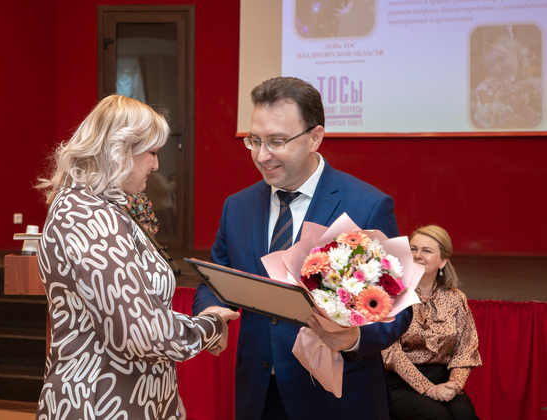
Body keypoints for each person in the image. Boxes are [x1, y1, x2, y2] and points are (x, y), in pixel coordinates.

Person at [192, 76, 413, 420]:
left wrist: (354, 337)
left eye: (277, 141)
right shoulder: (237, 207)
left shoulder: (365, 206)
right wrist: (210, 311)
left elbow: (397, 310)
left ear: (314, 137)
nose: (262, 155)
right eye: (255, 140)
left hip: (336, 401)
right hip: (259, 395)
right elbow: (216, 279)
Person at [34, 94, 239, 419]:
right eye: (152, 153)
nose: (156, 165)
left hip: (129, 397)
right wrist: (210, 325)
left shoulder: (99, 207)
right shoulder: (90, 216)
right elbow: (140, 332)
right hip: (101, 401)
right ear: (119, 150)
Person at [382, 225, 482, 420]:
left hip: (442, 378)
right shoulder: (391, 294)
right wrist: (428, 388)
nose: (418, 255)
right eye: (413, 249)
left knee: (465, 416)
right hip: (399, 381)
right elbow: (390, 353)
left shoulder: (456, 298)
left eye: (426, 251)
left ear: (443, 261)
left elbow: (466, 350)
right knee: (438, 417)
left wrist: (453, 385)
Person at [471, 32, 542, 129]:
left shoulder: (538, 74)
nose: (498, 69)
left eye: (501, 59)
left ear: (517, 53)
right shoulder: (488, 87)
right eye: (491, 66)